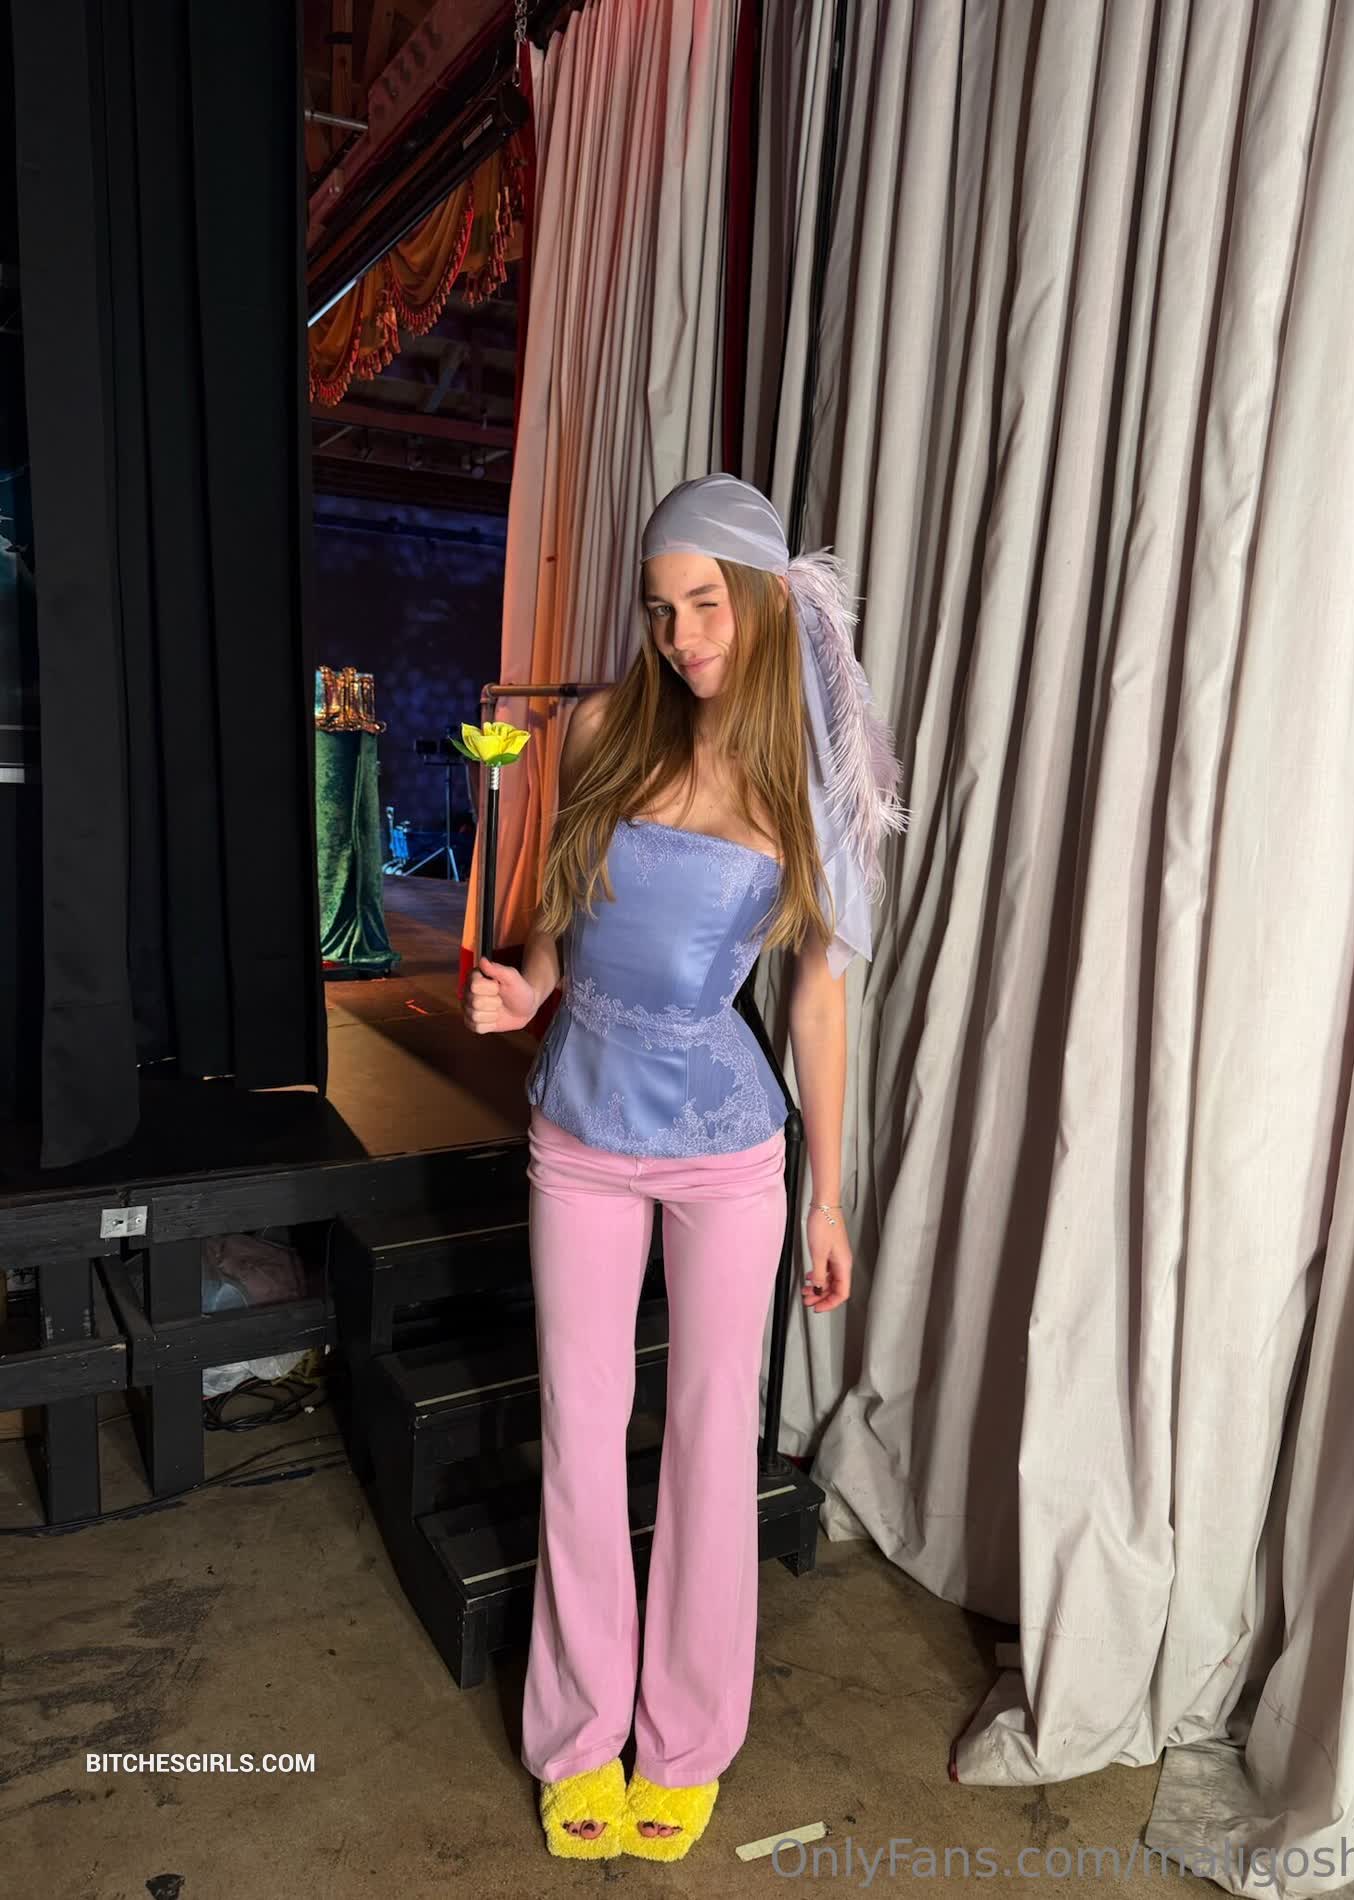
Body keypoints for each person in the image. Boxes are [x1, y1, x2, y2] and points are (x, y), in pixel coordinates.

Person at [463, 473, 909, 1863]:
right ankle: (576, 1733)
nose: (681, 636)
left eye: (705, 605)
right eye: (660, 610)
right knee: (580, 1431)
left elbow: (818, 1003)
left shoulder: (808, 784)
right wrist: (530, 986)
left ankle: (689, 1738)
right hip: (579, 1136)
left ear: (764, 601)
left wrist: (827, 1195)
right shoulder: (604, 726)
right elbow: (564, 907)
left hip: (726, 1152)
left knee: (713, 1442)